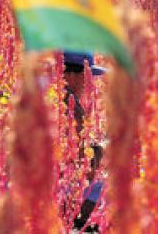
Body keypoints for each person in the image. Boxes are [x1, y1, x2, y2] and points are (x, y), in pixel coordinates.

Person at [62, 51, 106, 232]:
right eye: (87, 76)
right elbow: (84, 163)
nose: (90, 82)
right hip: (59, 192)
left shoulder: (48, 96)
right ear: (71, 75)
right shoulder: (70, 106)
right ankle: (82, 224)